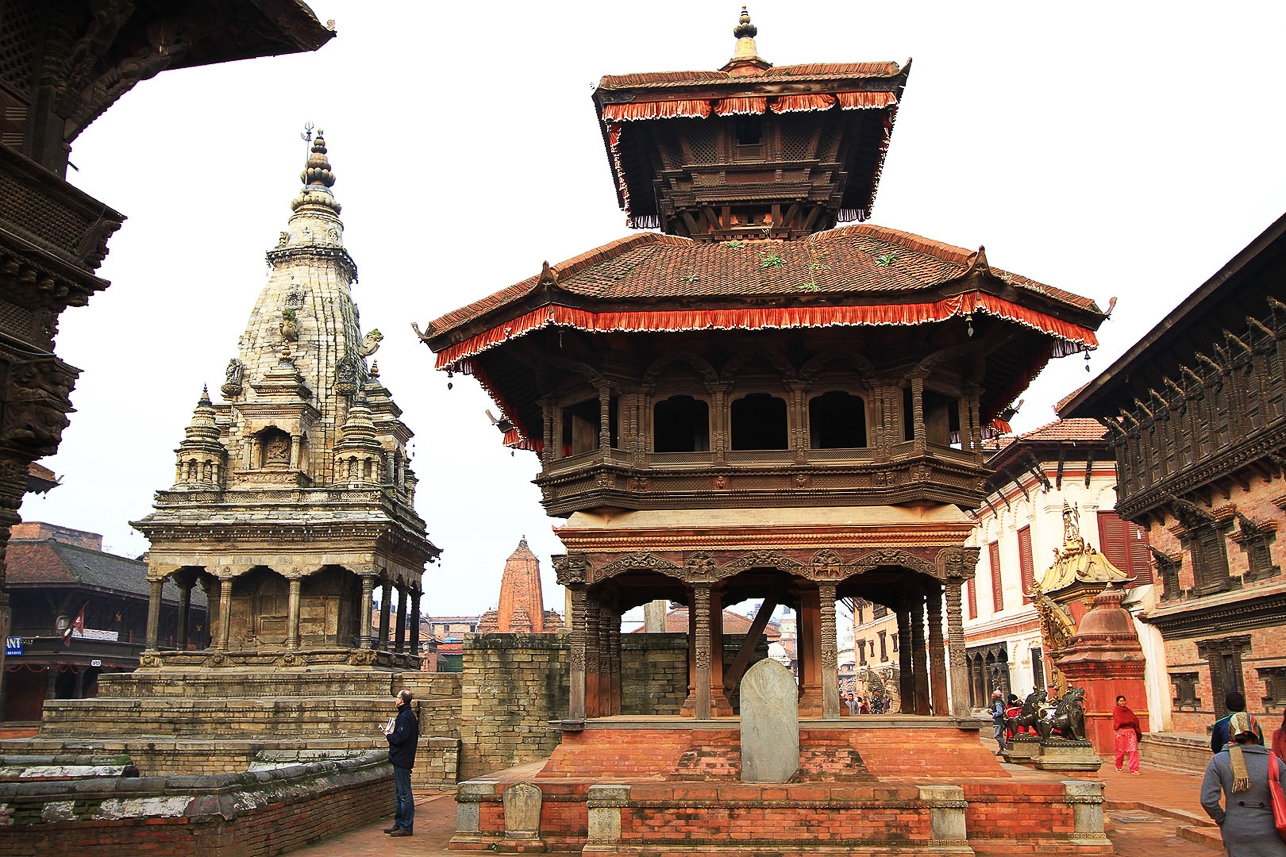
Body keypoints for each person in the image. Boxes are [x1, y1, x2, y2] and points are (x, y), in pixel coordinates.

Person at [1200, 711, 1286, 856]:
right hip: (1271, 829)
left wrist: (1223, 819)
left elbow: (1207, 800)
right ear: (1257, 733)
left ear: (1231, 734)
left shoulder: (1219, 760)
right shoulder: (1273, 762)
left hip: (1236, 828)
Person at [382, 689, 419, 837]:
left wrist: (389, 736)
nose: (396, 699)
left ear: (401, 701)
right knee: (399, 793)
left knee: (404, 793)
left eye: (397, 697)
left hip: (402, 758)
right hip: (401, 758)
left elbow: (400, 739)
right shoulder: (406, 715)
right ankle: (399, 823)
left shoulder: (405, 716)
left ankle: (406, 825)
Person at [1113, 695, 1143, 774]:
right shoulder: (1116, 710)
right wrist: (1129, 722)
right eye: (1120, 701)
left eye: (1123, 701)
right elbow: (1119, 721)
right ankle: (1119, 766)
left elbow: (1134, 720)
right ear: (1117, 702)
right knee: (1120, 751)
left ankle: (1134, 768)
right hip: (1121, 733)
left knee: (1133, 750)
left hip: (1131, 733)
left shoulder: (1129, 711)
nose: (1122, 702)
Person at [991, 689, 1008, 754]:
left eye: (993, 695)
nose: (992, 696)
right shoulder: (999, 702)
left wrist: (993, 714)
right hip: (999, 721)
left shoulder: (997, 703)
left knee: (997, 735)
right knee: (1000, 736)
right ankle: (1001, 749)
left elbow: (1000, 712)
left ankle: (1006, 747)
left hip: (999, 721)